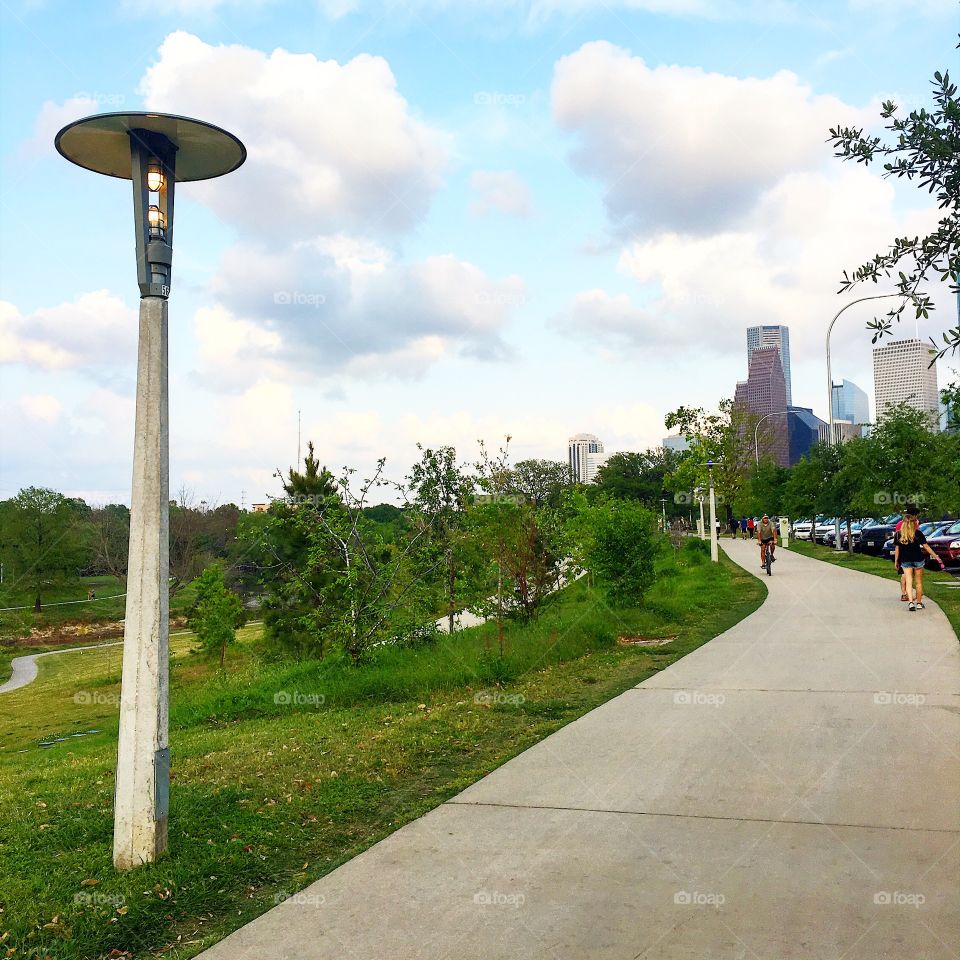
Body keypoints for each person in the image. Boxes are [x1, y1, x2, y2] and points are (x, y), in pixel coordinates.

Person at [894, 514, 944, 611]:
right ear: (913, 523)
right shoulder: (918, 533)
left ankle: (911, 603)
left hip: (905, 560)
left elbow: (897, 549)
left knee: (908, 582)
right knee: (918, 582)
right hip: (918, 559)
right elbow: (926, 546)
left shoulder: (898, 535)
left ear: (903, 523)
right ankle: (919, 603)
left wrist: (896, 561)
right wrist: (936, 557)